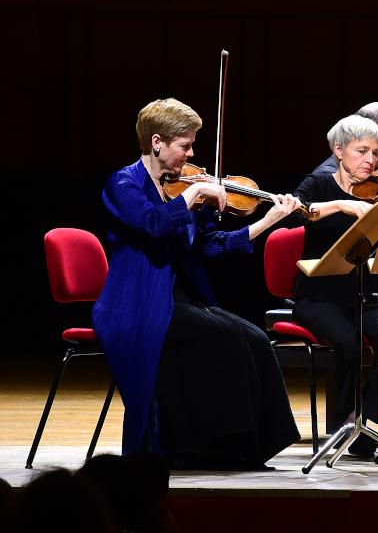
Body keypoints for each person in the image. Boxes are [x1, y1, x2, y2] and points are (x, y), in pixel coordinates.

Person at [92, 98, 301, 470]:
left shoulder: (182, 187)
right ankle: (216, 448)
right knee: (226, 337)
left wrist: (269, 220)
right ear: (157, 142)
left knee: (253, 336)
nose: (192, 153)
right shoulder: (123, 184)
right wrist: (192, 196)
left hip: (176, 297)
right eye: (185, 145)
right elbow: (152, 224)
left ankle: (247, 447)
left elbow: (210, 246)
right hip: (136, 302)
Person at [292, 114, 378, 457]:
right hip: (321, 295)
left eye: (375, 152)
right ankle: (340, 429)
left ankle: (363, 420)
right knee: (350, 345)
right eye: (361, 151)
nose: (370, 159)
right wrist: (341, 204)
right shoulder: (319, 184)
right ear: (339, 150)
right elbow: (295, 213)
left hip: (373, 294)